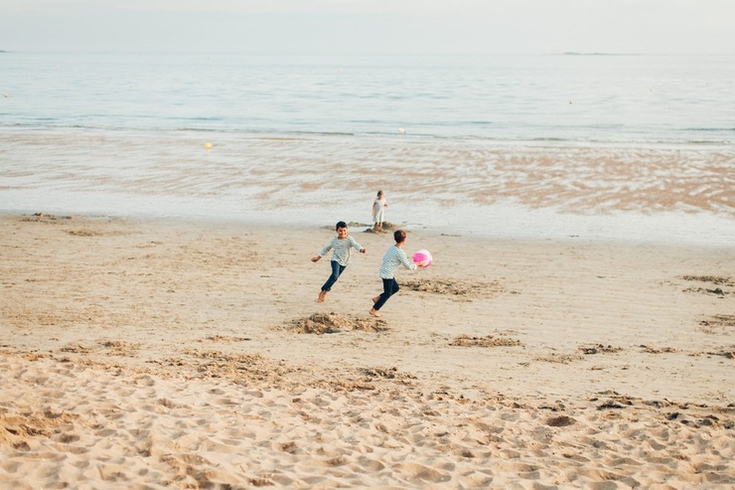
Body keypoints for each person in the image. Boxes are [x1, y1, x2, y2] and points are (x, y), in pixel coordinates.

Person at [369, 229, 423, 317]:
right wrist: (417, 264)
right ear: (404, 240)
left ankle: (378, 298)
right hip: (388, 273)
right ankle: (374, 309)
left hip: (385, 270)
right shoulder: (400, 252)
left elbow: (385, 258)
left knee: (396, 288)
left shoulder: (392, 248)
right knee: (387, 293)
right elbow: (408, 266)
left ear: (395, 239)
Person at [311, 221, 367, 303]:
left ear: (347, 230)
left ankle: (325, 292)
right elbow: (326, 248)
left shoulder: (349, 239)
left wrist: (361, 249)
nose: (343, 232)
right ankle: (323, 291)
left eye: (344, 230)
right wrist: (318, 257)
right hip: (335, 260)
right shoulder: (334, 240)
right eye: (340, 231)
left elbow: (356, 245)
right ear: (337, 231)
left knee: (335, 278)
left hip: (345, 262)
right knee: (334, 276)